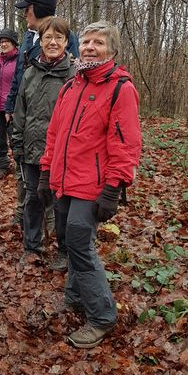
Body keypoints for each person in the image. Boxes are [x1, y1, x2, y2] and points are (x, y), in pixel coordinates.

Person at [39, 20, 142, 348]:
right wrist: (46, 173)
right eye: (85, 42)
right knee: (68, 241)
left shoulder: (120, 88)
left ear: (111, 49)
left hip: (93, 185)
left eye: (97, 43)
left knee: (80, 245)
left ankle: (102, 316)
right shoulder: (72, 85)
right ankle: (75, 297)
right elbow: (54, 134)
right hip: (65, 181)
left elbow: (125, 143)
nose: (89, 48)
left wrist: (114, 188)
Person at [5, 0, 79, 228]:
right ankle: (25, 217)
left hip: (53, 131)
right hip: (28, 123)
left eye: (27, 9)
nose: (25, 14)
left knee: (49, 185)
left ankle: (49, 224)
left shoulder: (66, 40)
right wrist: (10, 106)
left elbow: (69, 83)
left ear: (36, 9)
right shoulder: (29, 37)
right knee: (26, 175)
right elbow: (21, 76)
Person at [12, 17, 74, 267]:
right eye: (48, 37)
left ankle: (64, 250)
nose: (53, 42)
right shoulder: (30, 73)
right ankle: (32, 247)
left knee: (61, 203)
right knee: (33, 200)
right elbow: (20, 112)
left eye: (58, 37)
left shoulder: (74, 75)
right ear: (41, 40)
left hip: (63, 153)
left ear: (67, 42)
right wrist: (17, 144)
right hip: (32, 149)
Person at [0, 28, 19, 179]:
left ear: (13, 43)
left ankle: (20, 166)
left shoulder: (19, 60)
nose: (3, 44)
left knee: (14, 138)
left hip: (12, 107)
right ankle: (3, 165)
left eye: (6, 41)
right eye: (1, 41)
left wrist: (15, 104)